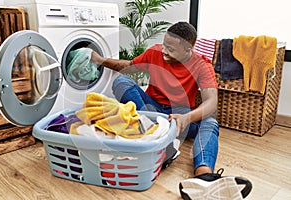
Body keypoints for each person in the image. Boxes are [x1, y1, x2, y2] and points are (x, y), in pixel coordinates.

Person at [90, 21, 252, 199]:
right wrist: (101, 60)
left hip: (179, 118)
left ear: (189, 49)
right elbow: (128, 66)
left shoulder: (201, 65)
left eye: (171, 49)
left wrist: (186, 118)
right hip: (151, 111)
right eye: (165, 46)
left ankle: (204, 178)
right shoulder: (155, 52)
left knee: (210, 122)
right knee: (121, 82)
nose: (165, 52)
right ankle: (152, 132)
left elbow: (211, 102)